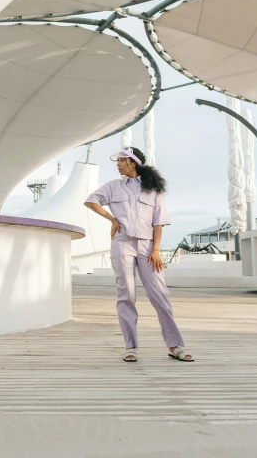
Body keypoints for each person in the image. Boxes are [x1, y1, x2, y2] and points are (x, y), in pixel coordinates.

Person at [84, 145, 193, 363]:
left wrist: (156, 250)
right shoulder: (113, 186)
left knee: (160, 295)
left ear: (133, 162)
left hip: (147, 247)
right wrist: (112, 219)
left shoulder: (152, 189)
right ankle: (130, 347)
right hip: (122, 244)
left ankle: (175, 346)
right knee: (126, 295)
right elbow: (91, 201)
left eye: (122, 160)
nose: (118, 164)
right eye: (118, 161)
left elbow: (158, 222)